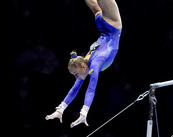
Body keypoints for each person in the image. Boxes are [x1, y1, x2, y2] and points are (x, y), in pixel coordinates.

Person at [45, 0, 122, 128]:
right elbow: (75, 89)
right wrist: (60, 110)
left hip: (113, 27)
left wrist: (84, 112)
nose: (75, 77)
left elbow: (91, 90)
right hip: (103, 25)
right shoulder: (86, 62)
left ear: (82, 67)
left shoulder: (95, 64)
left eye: (75, 74)